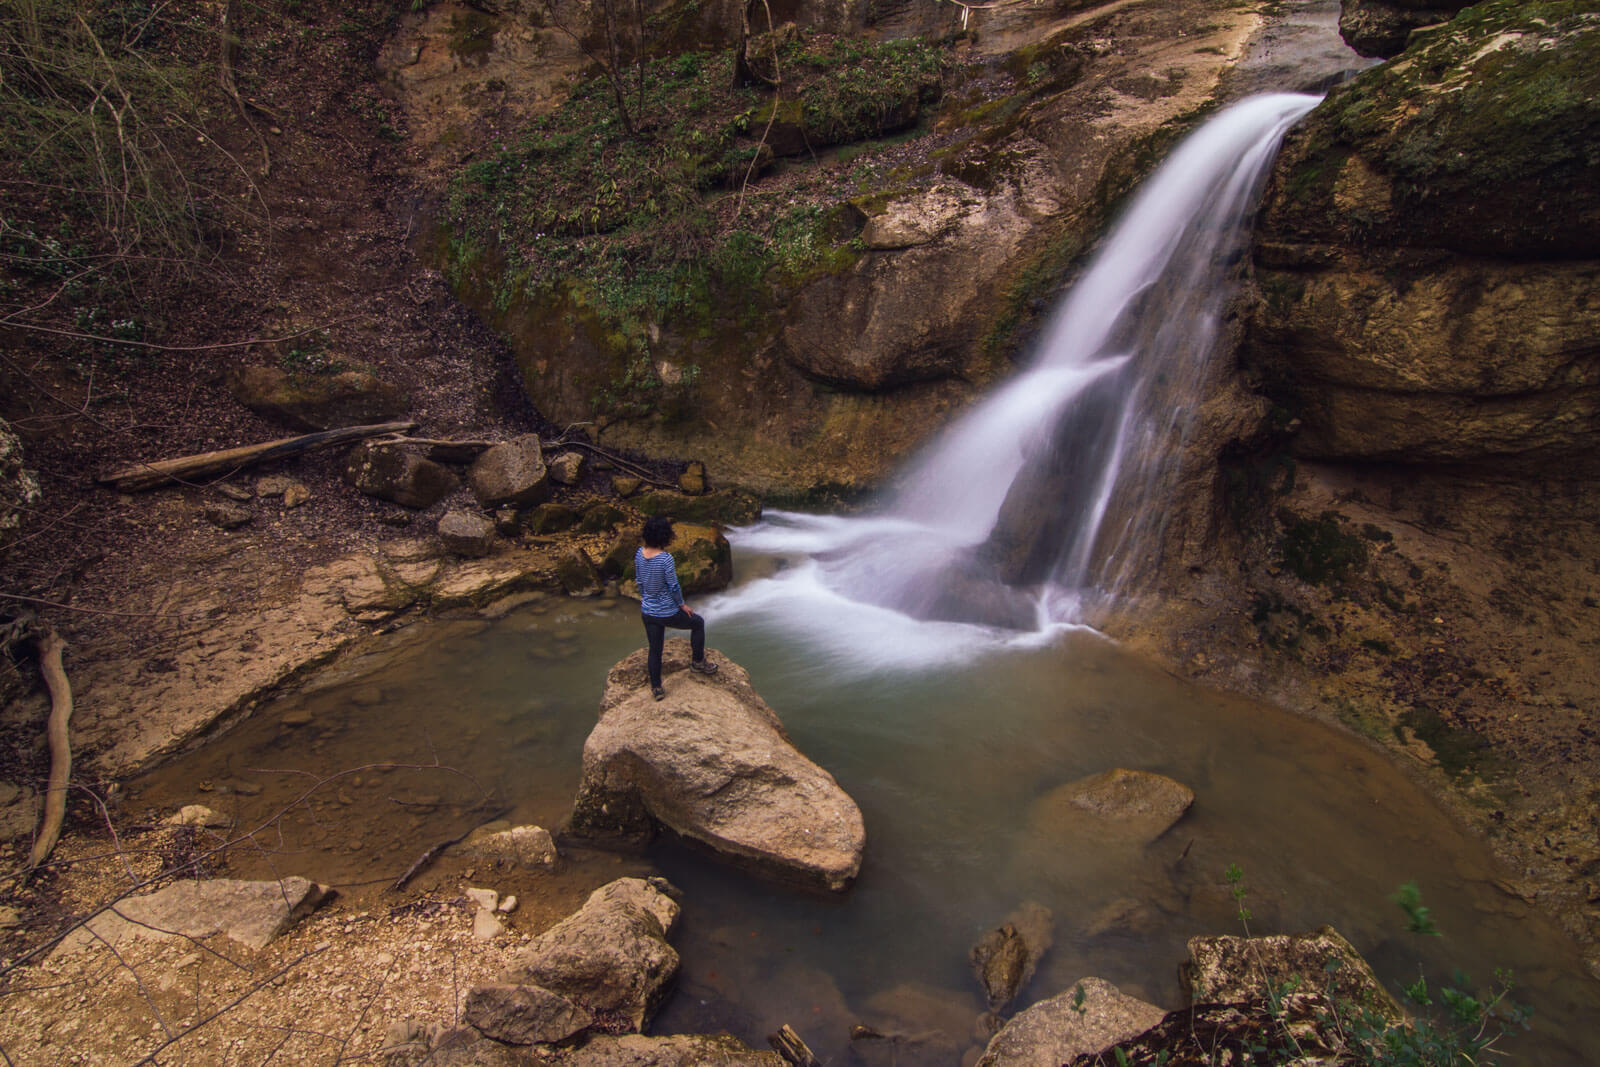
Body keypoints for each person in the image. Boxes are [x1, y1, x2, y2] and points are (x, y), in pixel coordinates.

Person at [636, 515, 717, 701]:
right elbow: (673, 586)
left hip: (648, 611)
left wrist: (646, 598)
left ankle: (656, 688)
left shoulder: (639, 553)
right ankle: (697, 662)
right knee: (697, 623)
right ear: (665, 536)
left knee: (655, 649)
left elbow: (639, 581)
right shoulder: (665, 559)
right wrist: (681, 604)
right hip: (666, 612)